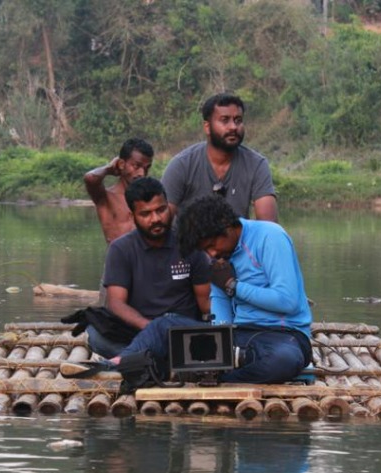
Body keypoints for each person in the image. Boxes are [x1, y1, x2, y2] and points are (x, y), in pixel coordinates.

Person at [109, 195, 311, 384]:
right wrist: (218, 345)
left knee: (284, 360)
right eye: (206, 250)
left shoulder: (270, 236)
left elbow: (287, 300)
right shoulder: (219, 256)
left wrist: (233, 286)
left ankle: (214, 377)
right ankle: (119, 364)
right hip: (239, 337)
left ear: (228, 226)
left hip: (283, 335)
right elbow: (221, 311)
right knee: (164, 324)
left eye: (213, 244)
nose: (212, 253)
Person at [84, 177, 212, 358]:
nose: (156, 219)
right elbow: (116, 303)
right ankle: (146, 357)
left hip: (181, 331)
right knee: (96, 337)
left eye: (161, 210)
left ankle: (138, 359)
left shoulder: (191, 245)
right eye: (146, 214)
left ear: (169, 206)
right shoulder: (120, 249)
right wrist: (150, 327)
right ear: (132, 215)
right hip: (139, 330)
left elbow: (206, 304)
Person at [161, 93, 278, 222]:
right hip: (188, 241)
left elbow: (269, 226)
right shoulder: (182, 165)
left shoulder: (256, 165)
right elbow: (162, 222)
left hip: (237, 241)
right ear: (207, 127)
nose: (233, 127)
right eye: (224, 120)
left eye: (238, 120)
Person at [84, 138, 155, 244]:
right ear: (122, 164)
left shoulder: (151, 198)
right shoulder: (106, 198)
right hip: (118, 259)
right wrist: (109, 168)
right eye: (136, 166)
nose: (142, 173)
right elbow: (90, 178)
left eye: (146, 168)